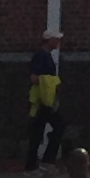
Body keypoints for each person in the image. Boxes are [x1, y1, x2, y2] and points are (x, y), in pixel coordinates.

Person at [25, 39, 64, 169]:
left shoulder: (46, 55)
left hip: (46, 99)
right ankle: (43, 161)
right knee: (53, 126)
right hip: (43, 100)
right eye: (56, 39)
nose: (58, 42)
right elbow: (34, 78)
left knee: (39, 130)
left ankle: (37, 163)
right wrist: (50, 83)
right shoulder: (41, 56)